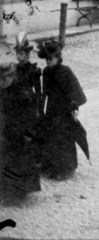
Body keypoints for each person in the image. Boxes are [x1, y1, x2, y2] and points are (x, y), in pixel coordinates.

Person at [38, 39, 87, 180]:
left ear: (58, 57)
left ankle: (65, 168)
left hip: (64, 109)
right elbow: (44, 91)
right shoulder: (46, 72)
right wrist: (41, 108)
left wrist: (75, 106)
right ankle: (50, 166)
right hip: (52, 108)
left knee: (64, 137)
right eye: (46, 59)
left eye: (51, 58)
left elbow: (73, 89)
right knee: (51, 136)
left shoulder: (66, 71)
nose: (48, 61)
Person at [0, 61, 41, 203]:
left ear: (11, 77)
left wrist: (29, 133)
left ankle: (18, 194)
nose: (1, 82)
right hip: (5, 133)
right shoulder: (2, 89)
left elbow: (31, 114)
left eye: (4, 79)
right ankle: (6, 191)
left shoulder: (22, 91)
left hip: (20, 134)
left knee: (19, 163)